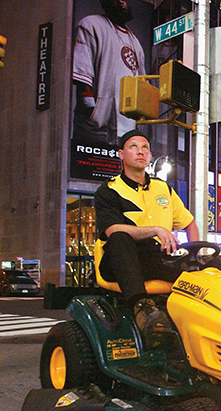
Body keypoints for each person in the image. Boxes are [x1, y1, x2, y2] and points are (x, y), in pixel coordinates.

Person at [94, 129, 199, 348]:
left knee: (211, 266)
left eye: (145, 148)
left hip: (156, 259)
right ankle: (142, 308)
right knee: (120, 237)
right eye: (133, 147)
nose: (140, 151)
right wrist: (155, 230)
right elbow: (112, 230)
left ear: (150, 156)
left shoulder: (163, 189)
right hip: (121, 260)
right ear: (121, 154)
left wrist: (194, 253)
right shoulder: (110, 191)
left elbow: (189, 223)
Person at [72, 0, 146, 145]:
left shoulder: (135, 42)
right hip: (97, 129)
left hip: (129, 133)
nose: (121, 1)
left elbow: (142, 85)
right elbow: (82, 74)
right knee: (90, 167)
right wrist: (91, 114)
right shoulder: (91, 25)